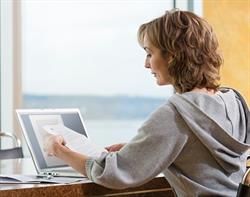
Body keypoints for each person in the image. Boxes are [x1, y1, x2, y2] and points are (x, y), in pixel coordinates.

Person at [44, 9, 250, 196]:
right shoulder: (235, 102)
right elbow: (201, 157)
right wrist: (145, 150)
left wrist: (61, 151)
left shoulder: (177, 114)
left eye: (150, 53)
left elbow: (113, 173)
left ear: (173, 56)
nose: (145, 64)